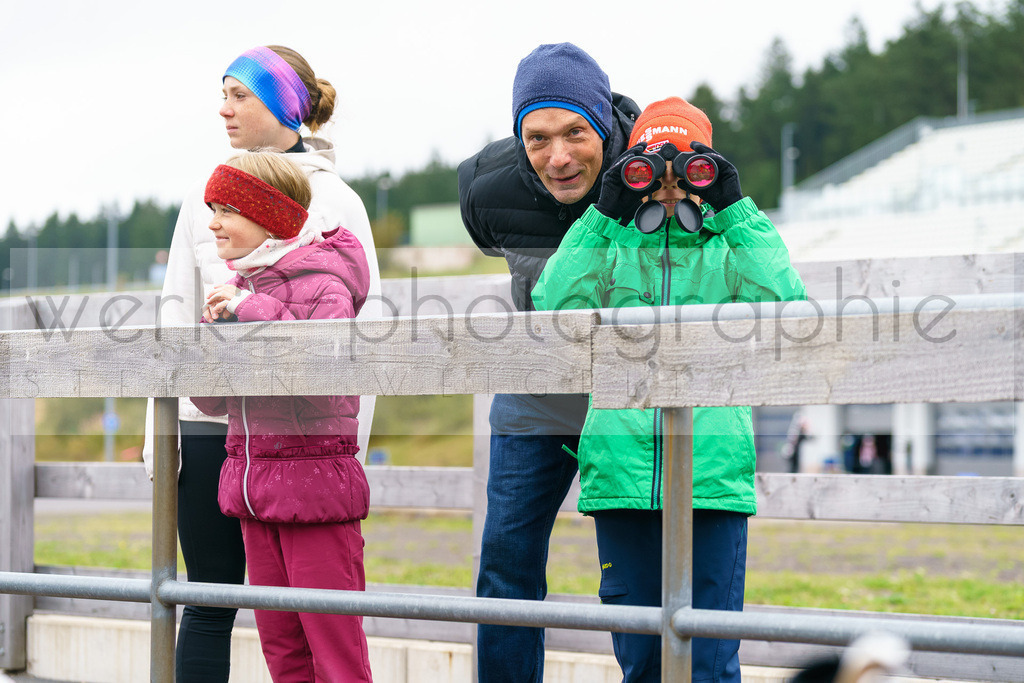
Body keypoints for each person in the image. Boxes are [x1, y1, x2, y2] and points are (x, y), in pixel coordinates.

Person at [531, 96, 806, 682]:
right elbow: (552, 307)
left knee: (709, 658)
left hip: (711, 477)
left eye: (688, 170)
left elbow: (787, 309)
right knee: (642, 660)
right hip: (620, 479)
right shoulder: (611, 248)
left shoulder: (728, 249)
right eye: (653, 171)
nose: (669, 188)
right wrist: (605, 214)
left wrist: (734, 209)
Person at [141, 45, 381, 682]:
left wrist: (350, 442)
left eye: (240, 94)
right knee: (209, 597)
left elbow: (358, 328)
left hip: (302, 442)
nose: (224, 109)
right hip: (220, 433)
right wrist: (166, 419)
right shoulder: (204, 192)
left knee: (315, 622)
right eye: (222, 94)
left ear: (284, 103)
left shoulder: (337, 199)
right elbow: (176, 303)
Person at [457, 42, 640, 682]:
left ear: (604, 126)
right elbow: (485, 232)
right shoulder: (490, 189)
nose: (558, 158)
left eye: (574, 134)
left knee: (631, 568)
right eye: (537, 139)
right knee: (505, 555)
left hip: (629, 394)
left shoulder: (651, 166)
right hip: (538, 387)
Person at [192, 151, 372, 682]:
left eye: (227, 209)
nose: (213, 222)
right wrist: (215, 340)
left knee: (334, 649)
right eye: (212, 207)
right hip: (256, 492)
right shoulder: (245, 288)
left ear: (269, 216)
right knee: (283, 649)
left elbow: (322, 382)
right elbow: (214, 402)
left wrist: (248, 314)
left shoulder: (325, 284)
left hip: (314, 493)